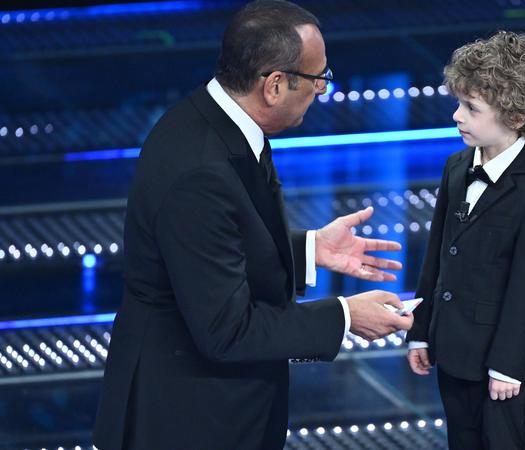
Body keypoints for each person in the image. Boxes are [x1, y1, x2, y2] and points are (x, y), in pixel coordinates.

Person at [93, 1, 412, 449]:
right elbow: (228, 330)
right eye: (318, 78)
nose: (323, 91)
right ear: (275, 85)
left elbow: (214, 249)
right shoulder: (200, 170)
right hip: (186, 420)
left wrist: (308, 249)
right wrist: (344, 316)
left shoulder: (217, 120)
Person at [406, 31, 525, 449]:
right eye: (459, 103)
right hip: (454, 351)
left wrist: (508, 365)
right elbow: (438, 256)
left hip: (502, 368)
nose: (456, 116)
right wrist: (422, 330)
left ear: (515, 117)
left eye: (471, 108)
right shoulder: (456, 167)